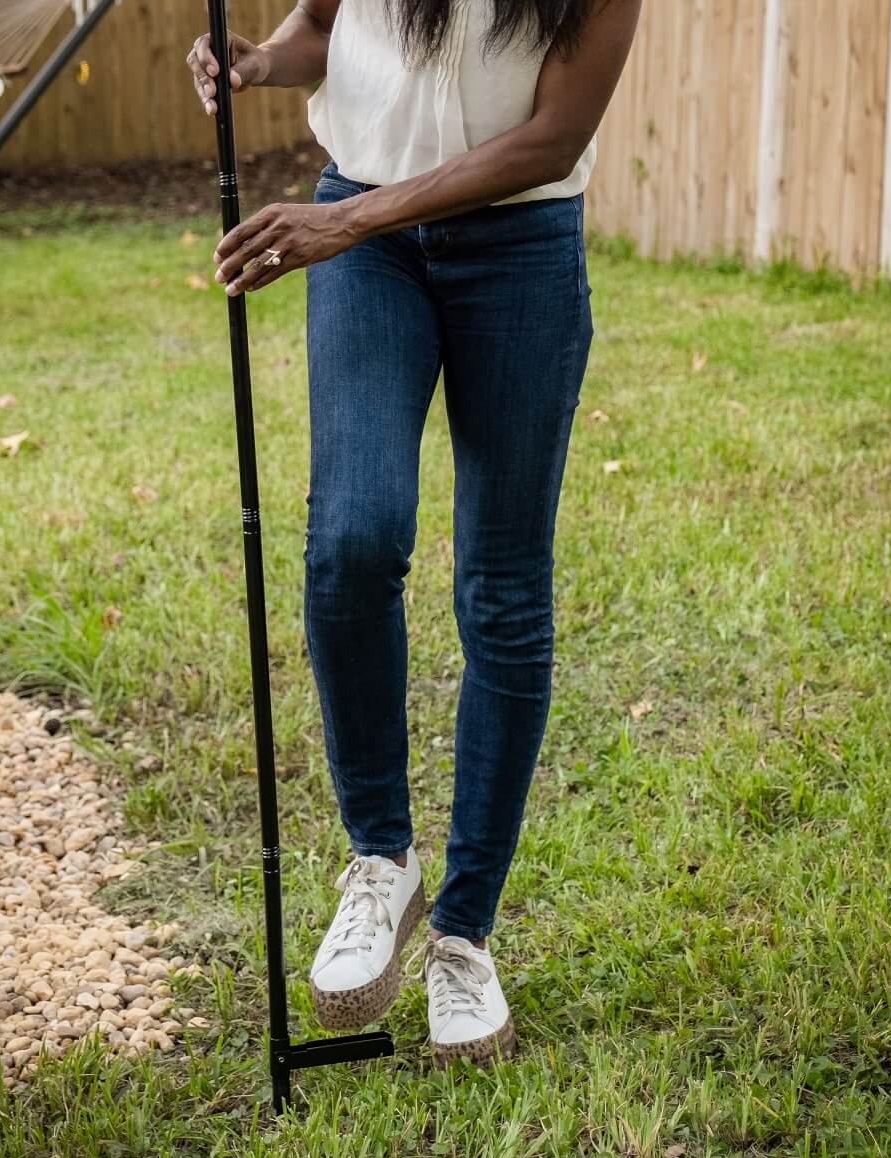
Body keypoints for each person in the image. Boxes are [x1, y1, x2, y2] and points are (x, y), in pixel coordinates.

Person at [187, 0, 640, 1065]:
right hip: (368, 246)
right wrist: (259, 63)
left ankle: (463, 935)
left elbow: (551, 140)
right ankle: (381, 863)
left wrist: (347, 222)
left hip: (520, 250)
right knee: (351, 541)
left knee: (503, 585)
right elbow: (321, 26)